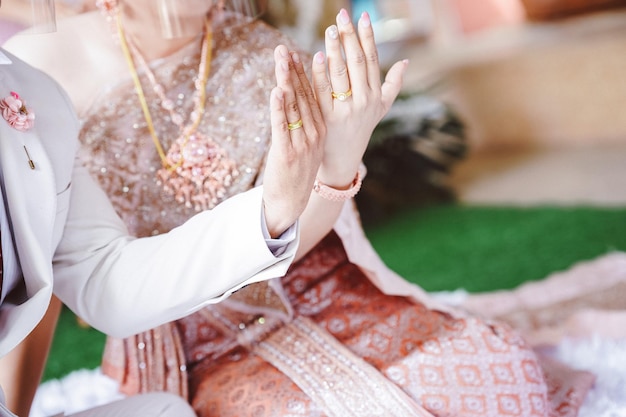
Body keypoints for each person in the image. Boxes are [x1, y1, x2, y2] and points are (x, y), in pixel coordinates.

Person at [4, 1, 597, 417]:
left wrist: (340, 159)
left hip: (315, 295)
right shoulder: (34, 72)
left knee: (501, 373)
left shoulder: (269, 57)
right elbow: (42, 272)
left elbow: (295, 233)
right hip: (188, 342)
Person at [0, 0, 342, 415]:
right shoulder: (48, 63)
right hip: (174, 345)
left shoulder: (30, 94)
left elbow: (99, 274)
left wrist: (276, 208)